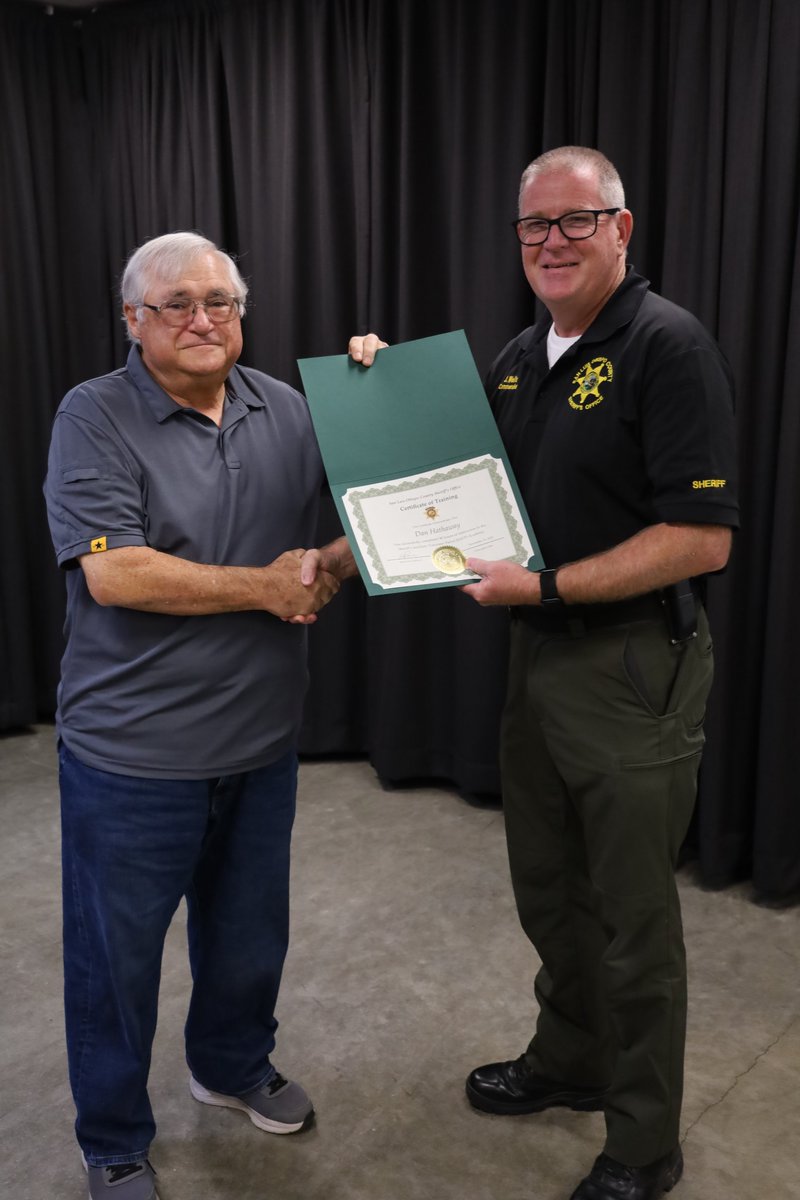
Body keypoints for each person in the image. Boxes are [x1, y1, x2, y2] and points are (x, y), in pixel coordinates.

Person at [349, 146, 738, 1200]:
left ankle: (644, 1140)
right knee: (551, 887)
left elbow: (701, 539)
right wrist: (382, 385)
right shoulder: (525, 354)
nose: (552, 242)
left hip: (630, 663)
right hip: (539, 655)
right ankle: (571, 1058)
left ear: (621, 228)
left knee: (631, 918)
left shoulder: (666, 346)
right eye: (534, 225)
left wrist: (549, 585)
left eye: (576, 220)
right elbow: (453, 476)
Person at [44, 231, 356, 1200]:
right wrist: (266, 587)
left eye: (219, 301)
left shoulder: (287, 409)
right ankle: (112, 1138)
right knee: (116, 963)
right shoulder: (92, 414)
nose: (200, 319)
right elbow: (117, 573)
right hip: (131, 756)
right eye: (174, 303)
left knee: (248, 937)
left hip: (259, 741)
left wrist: (380, 396)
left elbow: (385, 503)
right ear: (132, 319)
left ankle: (229, 1065)